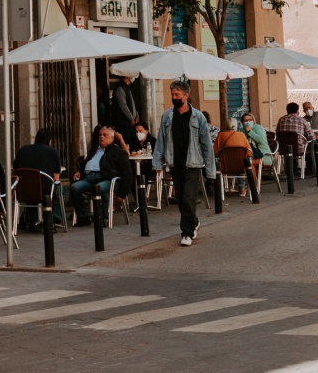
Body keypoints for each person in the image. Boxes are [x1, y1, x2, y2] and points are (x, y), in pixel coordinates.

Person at [153, 80, 216, 246]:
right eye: (172, 94)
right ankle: (193, 222)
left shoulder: (198, 117)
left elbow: (207, 145)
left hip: (193, 164)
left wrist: (210, 171)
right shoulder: (167, 116)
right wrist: (157, 164)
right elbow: (161, 141)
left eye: (177, 95)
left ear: (186, 96)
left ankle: (186, 233)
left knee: (188, 198)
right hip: (175, 162)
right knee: (181, 199)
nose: (174, 97)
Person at [70, 125, 131, 225]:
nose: (101, 137)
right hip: (89, 178)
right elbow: (86, 162)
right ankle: (83, 217)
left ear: (112, 137)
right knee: (74, 188)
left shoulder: (118, 152)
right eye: (100, 135)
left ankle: (104, 218)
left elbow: (128, 174)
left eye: (105, 135)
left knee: (100, 188)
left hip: (108, 179)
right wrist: (80, 171)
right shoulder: (95, 149)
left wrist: (123, 193)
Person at [212, 119, 254, 196]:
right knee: (241, 160)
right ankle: (242, 188)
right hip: (241, 166)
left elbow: (215, 152)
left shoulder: (221, 135)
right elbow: (249, 153)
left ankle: (223, 189)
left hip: (225, 167)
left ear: (226, 126)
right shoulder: (241, 135)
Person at [276, 102, 313, 170]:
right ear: (297, 111)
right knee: (312, 145)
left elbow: (277, 133)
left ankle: (292, 169)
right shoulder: (302, 120)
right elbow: (311, 136)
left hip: (283, 149)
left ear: (287, 110)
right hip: (298, 149)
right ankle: (310, 168)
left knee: (291, 145)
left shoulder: (281, 120)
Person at [109, 74, 140, 144]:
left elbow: (132, 104)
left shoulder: (128, 87)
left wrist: (136, 115)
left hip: (130, 124)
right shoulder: (120, 88)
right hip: (123, 124)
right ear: (127, 76)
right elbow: (123, 106)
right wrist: (131, 118)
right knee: (125, 143)